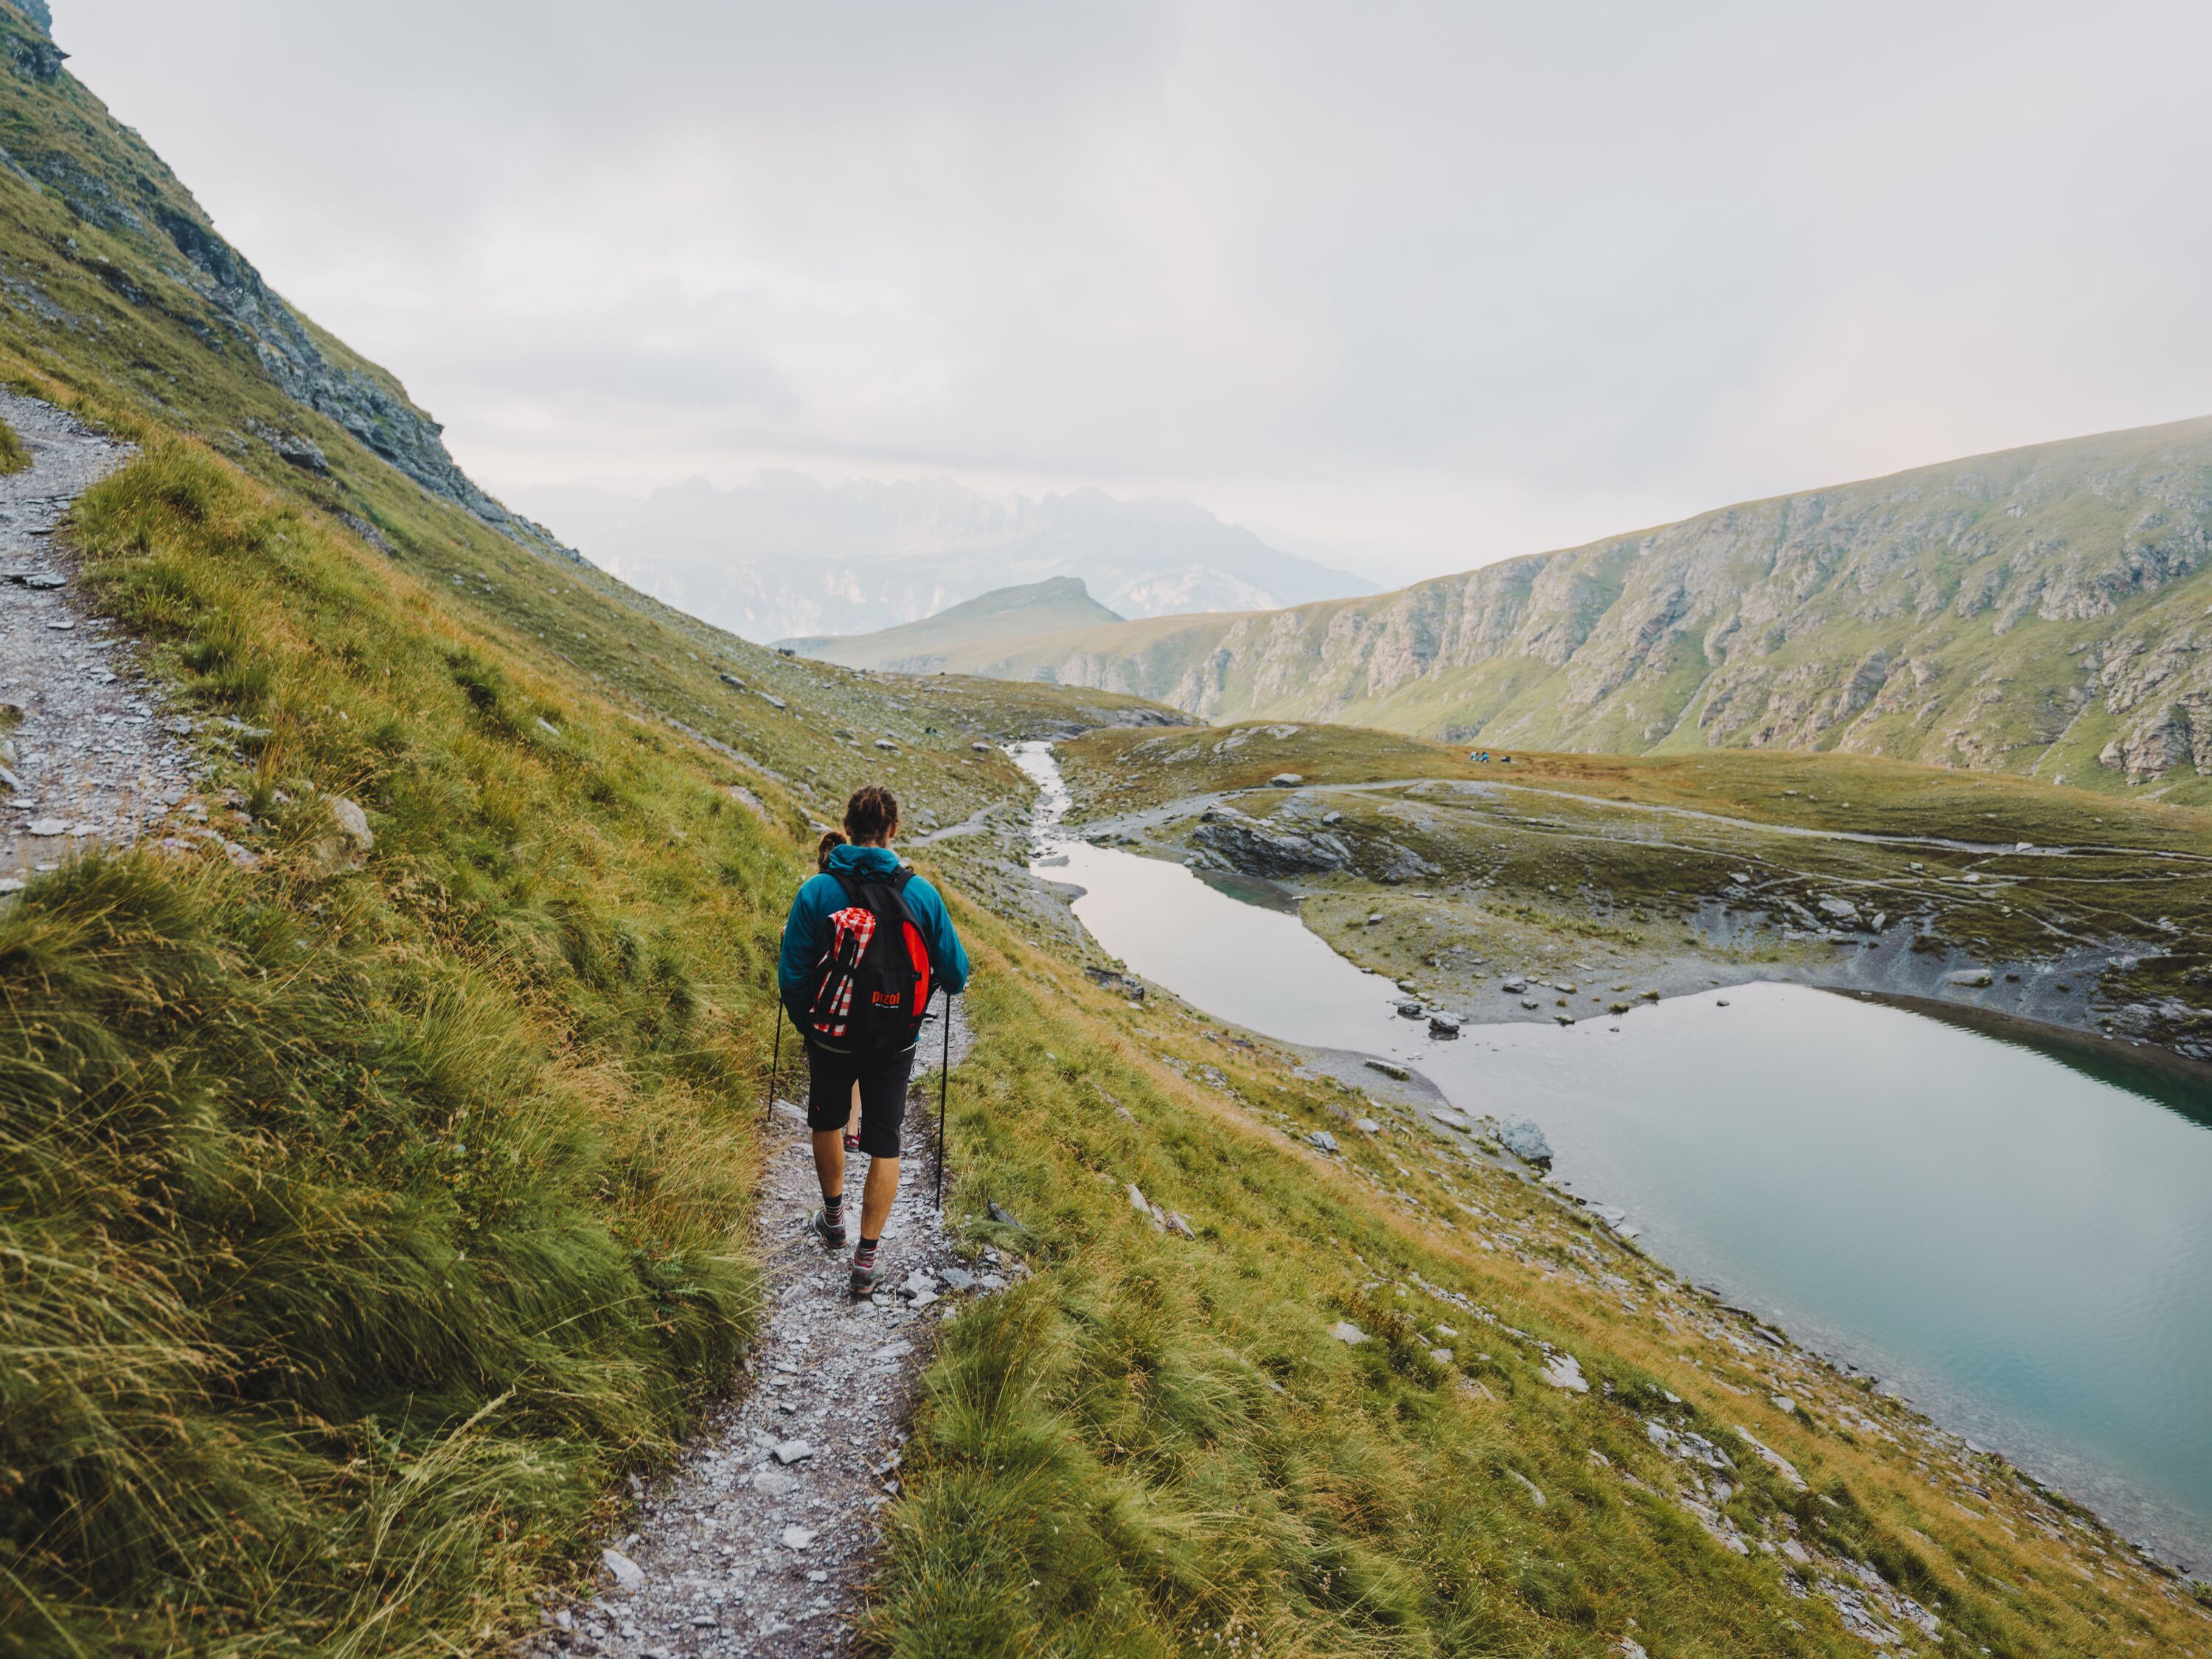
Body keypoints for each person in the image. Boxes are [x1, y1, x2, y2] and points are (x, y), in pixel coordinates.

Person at [778, 785, 969, 1295]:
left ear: (847, 825)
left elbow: (792, 975)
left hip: (830, 1037)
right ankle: (867, 1260)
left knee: (828, 1119)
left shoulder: (816, 892)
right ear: (893, 831)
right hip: (894, 1042)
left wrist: (812, 1024)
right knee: (885, 1140)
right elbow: (955, 974)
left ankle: (833, 1220)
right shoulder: (921, 894)